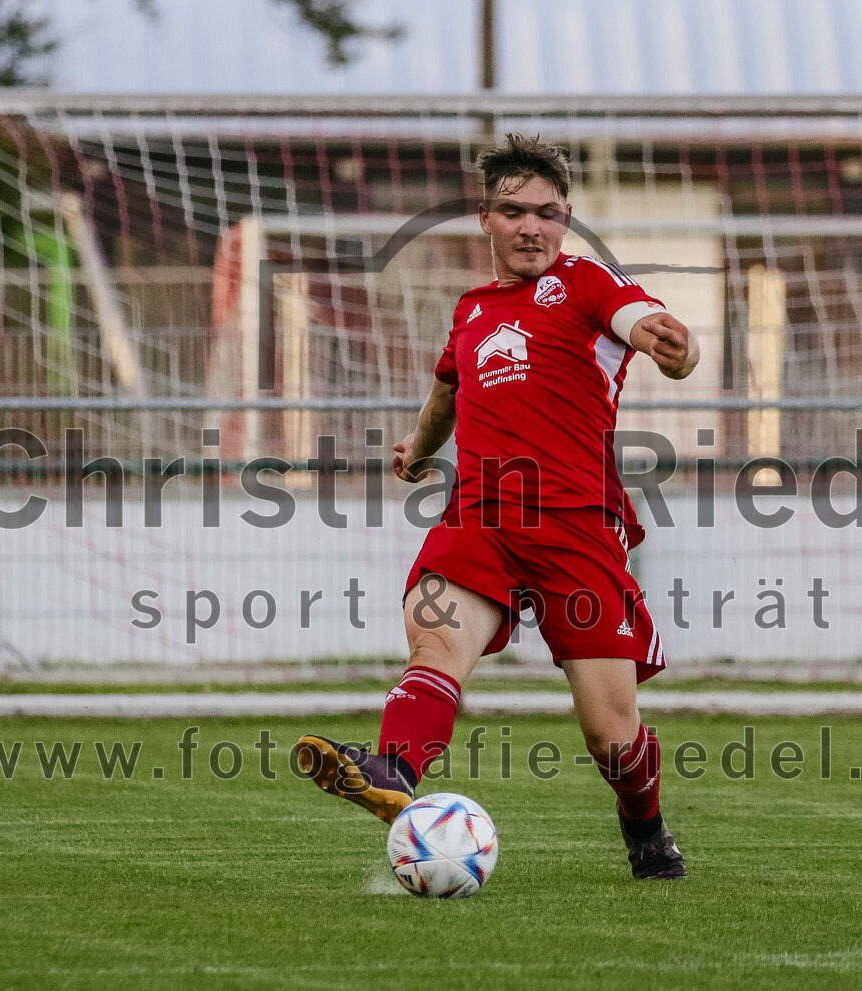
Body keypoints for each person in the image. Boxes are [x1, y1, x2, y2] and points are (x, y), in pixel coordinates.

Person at [296, 134, 699, 880]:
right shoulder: (472, 309)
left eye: (547, 213)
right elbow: (450, 388)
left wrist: (670, 342)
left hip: (576, 526)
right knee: (434, 641)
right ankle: (393, 771)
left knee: (611, 733)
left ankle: (645, 828)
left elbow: (638, 319)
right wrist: (417, 449)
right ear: (485, 218)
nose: (531, 227)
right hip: (479, 518)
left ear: (567, 218)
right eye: (514, 211)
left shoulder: (584, 283)